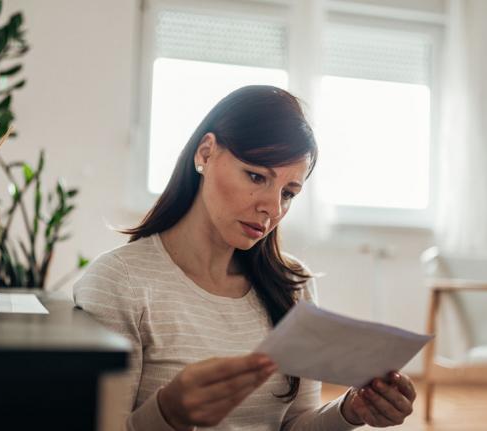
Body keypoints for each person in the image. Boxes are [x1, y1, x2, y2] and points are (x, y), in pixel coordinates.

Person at [73, 85, 416, 430]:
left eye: (289, 193)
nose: (272, 206)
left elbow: (296, 424)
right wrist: (168, 413)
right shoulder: (119, 282)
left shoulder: (293, 284)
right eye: (256, 176)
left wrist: (349, 411)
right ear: (205, 154)